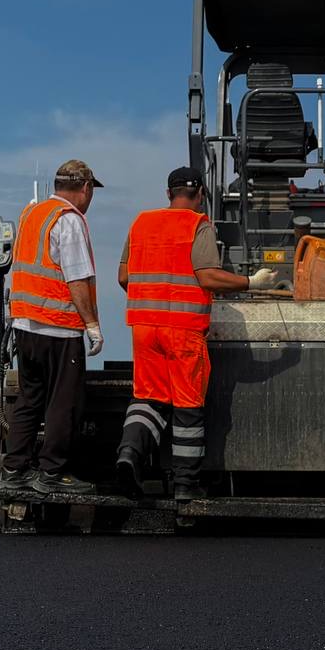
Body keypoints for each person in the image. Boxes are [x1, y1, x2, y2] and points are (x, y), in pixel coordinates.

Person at [109, 166, 249, 499]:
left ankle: (129, 454)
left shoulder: (141, 222)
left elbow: (124, 277)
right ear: (200, 193)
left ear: (168, 193)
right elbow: (208, 277)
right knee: (188, 408)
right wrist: (248, 282)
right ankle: (186, 485)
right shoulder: (198, 225)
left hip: (144, 330)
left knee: (148, 400)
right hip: (182, 332)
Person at [1, 159, 104, 497]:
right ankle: (53, 473)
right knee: (64, 401)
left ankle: (14, 469)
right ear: (85, 188)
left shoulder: (32, 214)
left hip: (24, 324)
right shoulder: (69, 221)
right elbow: (76, 279)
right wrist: (91, 324)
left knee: (31, 398)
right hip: (57, 327)